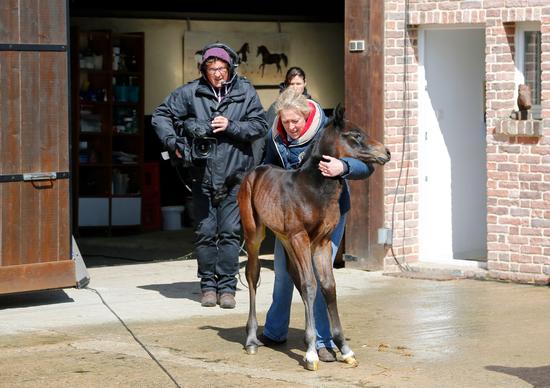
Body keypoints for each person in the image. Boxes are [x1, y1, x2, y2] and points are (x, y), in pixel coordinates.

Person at [259, 88, 374, 362]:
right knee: (284, 273)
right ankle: (275, 331)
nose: (291, 127)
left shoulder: (328, 131)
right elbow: (267, 168)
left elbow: (367, 165)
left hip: (327, 215)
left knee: (321, 278)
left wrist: (343, 167)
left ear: (306, 115)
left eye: (295, 121)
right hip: (291, 214)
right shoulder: (275, 137)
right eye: (285, 122)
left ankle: (323, 342)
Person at [152, 42, 268, 309]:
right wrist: (174, 144)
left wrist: (231, 126)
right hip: (201, 174)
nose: (217, 73)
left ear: (231, 68)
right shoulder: (190, 93)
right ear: (204, 69)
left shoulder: (245, 91)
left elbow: (260, 125)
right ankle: (207, 285)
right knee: (205, 231)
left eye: (222, 68)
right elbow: (160, 115)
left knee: (229, 232)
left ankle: (227, 287)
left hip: (235, 176)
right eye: (212, 68)